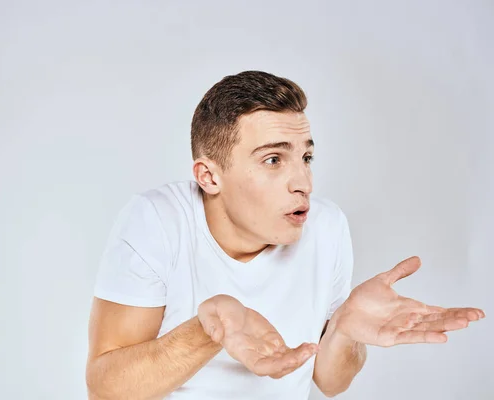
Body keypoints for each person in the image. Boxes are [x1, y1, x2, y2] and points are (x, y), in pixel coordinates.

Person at [85, 70, 485, 399]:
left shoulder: (326, 227)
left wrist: (344, 330)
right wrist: (210, 328)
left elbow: (330, 382)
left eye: (306, 157)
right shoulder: (158, 221)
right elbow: (105, 386)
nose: (304, 183)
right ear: (209, 176)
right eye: (274, 159)